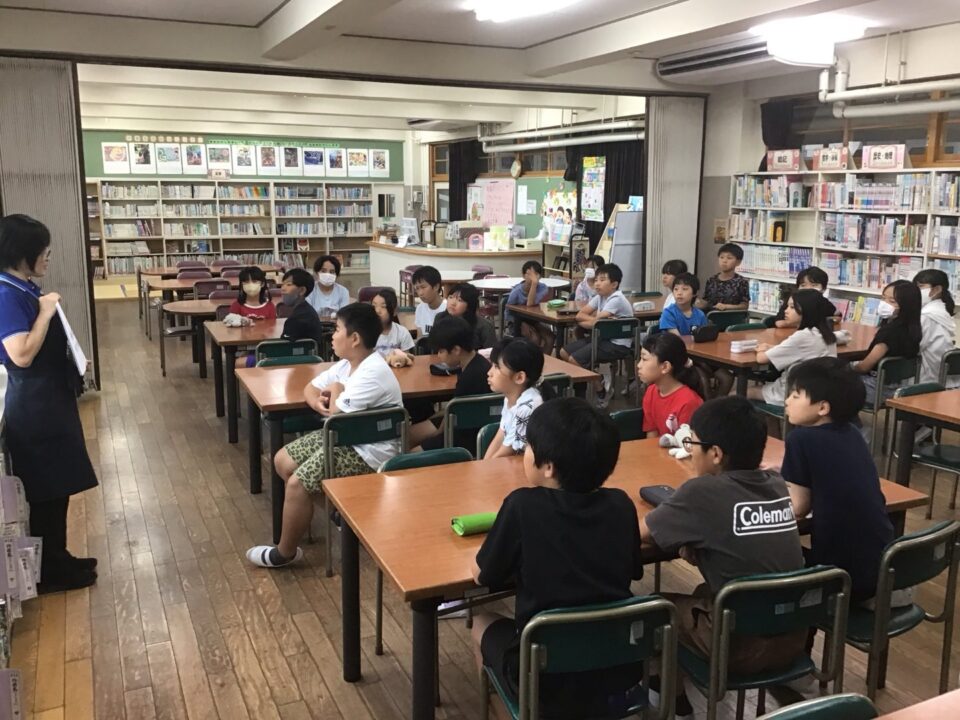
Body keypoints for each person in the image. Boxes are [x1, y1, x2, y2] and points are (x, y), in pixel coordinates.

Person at [471, 398, 644, 719]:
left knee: (481, 623)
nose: (525, 453)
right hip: (617, 663)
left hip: (543, 671)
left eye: (528, 447)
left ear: (548, 466)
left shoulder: (521, 505)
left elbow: (484, 576)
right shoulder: (622, 504)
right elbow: (634, 571)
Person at [641, 397, 806, 716]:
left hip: (739, 647)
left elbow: (640, 533)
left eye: (692, 443)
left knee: (654, 609)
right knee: (702, 593)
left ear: (715, 453)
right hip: (793, 637)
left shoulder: (701, 493)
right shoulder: (776, 484)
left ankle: (672, 705)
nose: (690, 451)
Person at [246, 303, 402, 568]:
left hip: (369, 451)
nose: (332, 335)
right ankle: (343, 515)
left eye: (337, 329)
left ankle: (284, 553)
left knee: (297, 484)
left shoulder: (372, 372)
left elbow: (336, 416)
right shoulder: (348, 364)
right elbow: (311, 387)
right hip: (346, 438)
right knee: (283, 460)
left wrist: (336, 389)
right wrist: (319, 401)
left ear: (355, 338)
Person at [0, 214, 98, 592]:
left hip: (49, 399)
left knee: (59, 487)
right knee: (46, 490)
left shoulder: (21, 286)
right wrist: (44, 312)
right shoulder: (6, 294)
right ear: (22, 252)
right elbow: (21, 354)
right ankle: (50, 571)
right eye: (43, 251)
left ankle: (59, 555)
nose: (48, 257)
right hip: (35, 406)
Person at [782, 358, 892, 602]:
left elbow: (798, 508)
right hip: (879, 569)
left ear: (823, 407)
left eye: (796, 395)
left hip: (839, 579)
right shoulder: (852, 433)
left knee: (767, 551)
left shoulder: (800, 439)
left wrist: (773, 487)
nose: (787, 401)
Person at [412, 316, 493, 451]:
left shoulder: (470, 377)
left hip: (464, 435)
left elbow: (450, 418)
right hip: (460, 422)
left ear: (456, 350)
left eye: (441, 351)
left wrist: (434, 436)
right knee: (411, 434)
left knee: (412, 451)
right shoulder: (476, 361)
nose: (438, 356)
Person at [560, 263, 634, 406]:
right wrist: (593, 321)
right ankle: (597, 379)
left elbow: (595, 322)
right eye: (596, 280)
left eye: (602, 280)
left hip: (617, 345)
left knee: (574, 360)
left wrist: (592, 321)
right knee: (564, 352)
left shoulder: (616, 298)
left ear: (614, 284)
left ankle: (599, 390)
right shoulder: (600, 297)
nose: (597, 283)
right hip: (602, 339)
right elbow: (581, 315)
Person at [748, 289, 838, 407]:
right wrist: (773, 347)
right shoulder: (826, 334)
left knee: (739, 393)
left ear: (806, 310)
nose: (786, 311)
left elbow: (761, 359)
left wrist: (760, 349)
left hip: (790, 393)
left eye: (792, 307)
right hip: (818, 392)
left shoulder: (802, 336)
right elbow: (800, 350)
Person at [851, 280, 922, 405]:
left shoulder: (890, 332)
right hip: (899, 388)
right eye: (883, 298)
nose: (885, 304)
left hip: (875, 388)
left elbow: (864, 367)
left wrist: (847, 367)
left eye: (892, 301)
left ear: (907, 305)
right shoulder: (912, 329)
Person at [484, 337, 552, 460]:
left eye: (497, 367)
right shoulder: (511, 397)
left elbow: (507, 451)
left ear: (519, 377)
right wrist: (484, 462)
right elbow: (501, 434)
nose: (489, 372)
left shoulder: (528, 406)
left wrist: (486, 466)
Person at [638, 332, 704, 437]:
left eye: (644, 359)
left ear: (665, 367)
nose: (639, 365)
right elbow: (651, 434)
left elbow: (688, 444)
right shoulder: (651, 391)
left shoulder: (689, 402)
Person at [914, 268, 957, 385]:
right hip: (945, 379)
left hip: (928, 380)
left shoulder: (927, 316)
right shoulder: (940, 310)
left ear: (937, 289)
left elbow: (913, 347)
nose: (915, 291)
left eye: (920, 287)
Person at [434, 282, 497, 350]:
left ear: (469, 305)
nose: (452, 303)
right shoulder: (439, 318)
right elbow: (435, 346)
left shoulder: (484, 326)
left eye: (459, 300)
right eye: (451, 297)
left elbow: (491, 352)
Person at [768, 267, 836, 329]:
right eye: (803, 285)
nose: (808, 289)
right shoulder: (792, 301)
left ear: (823, 289)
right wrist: (809, 324)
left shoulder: (823, 301)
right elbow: (779, 323)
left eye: (814, 285)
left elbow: (837, 316)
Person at [504, 260, 552, 349]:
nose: (533, 278)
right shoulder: (516, 291)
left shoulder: (543, 288)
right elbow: (508, 311)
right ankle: (532, 357)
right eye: (529, 274)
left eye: (536, 274)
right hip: (516, 321)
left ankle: (542, 358)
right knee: (535, 339)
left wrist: (534, 284)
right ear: (523, 275)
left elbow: (531, 303)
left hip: (535, 319)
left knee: (550, 337)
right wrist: (534, 284)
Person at [279, 268, 326, 350]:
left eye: (288, 285)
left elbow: (283, 348)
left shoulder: (297, 318)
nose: (282, 288)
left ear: (302, 291)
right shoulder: (306, 310)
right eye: (282, 284)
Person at [697, 243, 749, 312]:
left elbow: (744, 306)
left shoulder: (742, 281)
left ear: (738, 262)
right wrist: (697, 302)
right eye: (721, 257)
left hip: (732, 317)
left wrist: (726, 307)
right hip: (711, 316)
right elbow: (706, 301)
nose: (724, 261)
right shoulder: (711, 280)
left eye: (729, 258)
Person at [371, 288, 415, 361]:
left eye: (383, 306)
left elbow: (406, 360)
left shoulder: (402, 332)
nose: (377, 311)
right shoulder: (365, 333)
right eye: (373, 306)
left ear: (394, 311)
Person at [411, 265, 446, 335]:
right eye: (417, 288)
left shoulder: (447, 309)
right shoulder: (420, 308)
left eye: (423, 287)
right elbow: (420, 334)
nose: (420, 293)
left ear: (436, 286)